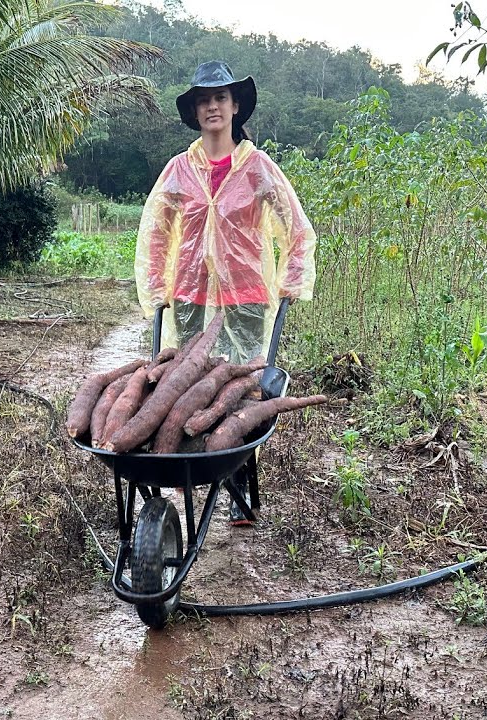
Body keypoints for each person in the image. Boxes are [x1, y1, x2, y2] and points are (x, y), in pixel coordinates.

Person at [135, 61, 317, 522]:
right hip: (193, 296)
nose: (212, 106)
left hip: (247, 298)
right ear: (195, 111)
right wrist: (157, 288)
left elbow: (296, 230)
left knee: (241, 392)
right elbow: (155, 234)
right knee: (188, 387)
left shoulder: (258, 168)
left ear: (236, 107)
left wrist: (292, 279)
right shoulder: (178, 171)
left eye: (220, 98)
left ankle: (239, 488)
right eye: (203, 100)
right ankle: (182, 471)